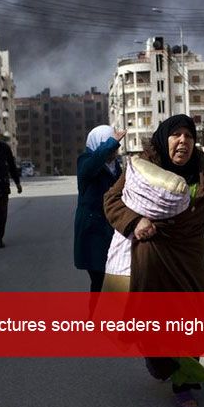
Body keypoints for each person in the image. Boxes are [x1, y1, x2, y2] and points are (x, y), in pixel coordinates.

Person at [104, 115, 204, 407]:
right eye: (176, 135)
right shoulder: (141, 171)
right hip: (151, 261)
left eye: (188, 136)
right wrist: (135, 221)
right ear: (164, 140)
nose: (183, 141)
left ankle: (184, 381)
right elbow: (112, 201)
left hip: (189, 263)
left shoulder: (203, 176)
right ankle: (169, 368)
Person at [73, 125, 125, 294]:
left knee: (114, 281)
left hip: (112, 231)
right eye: (111, 147)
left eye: (116, 148)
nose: (114, 152)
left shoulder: (116, 167)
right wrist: (111, 143)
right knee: (100, 282)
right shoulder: (86, 161)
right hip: (93, 232)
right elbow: (92, 165)